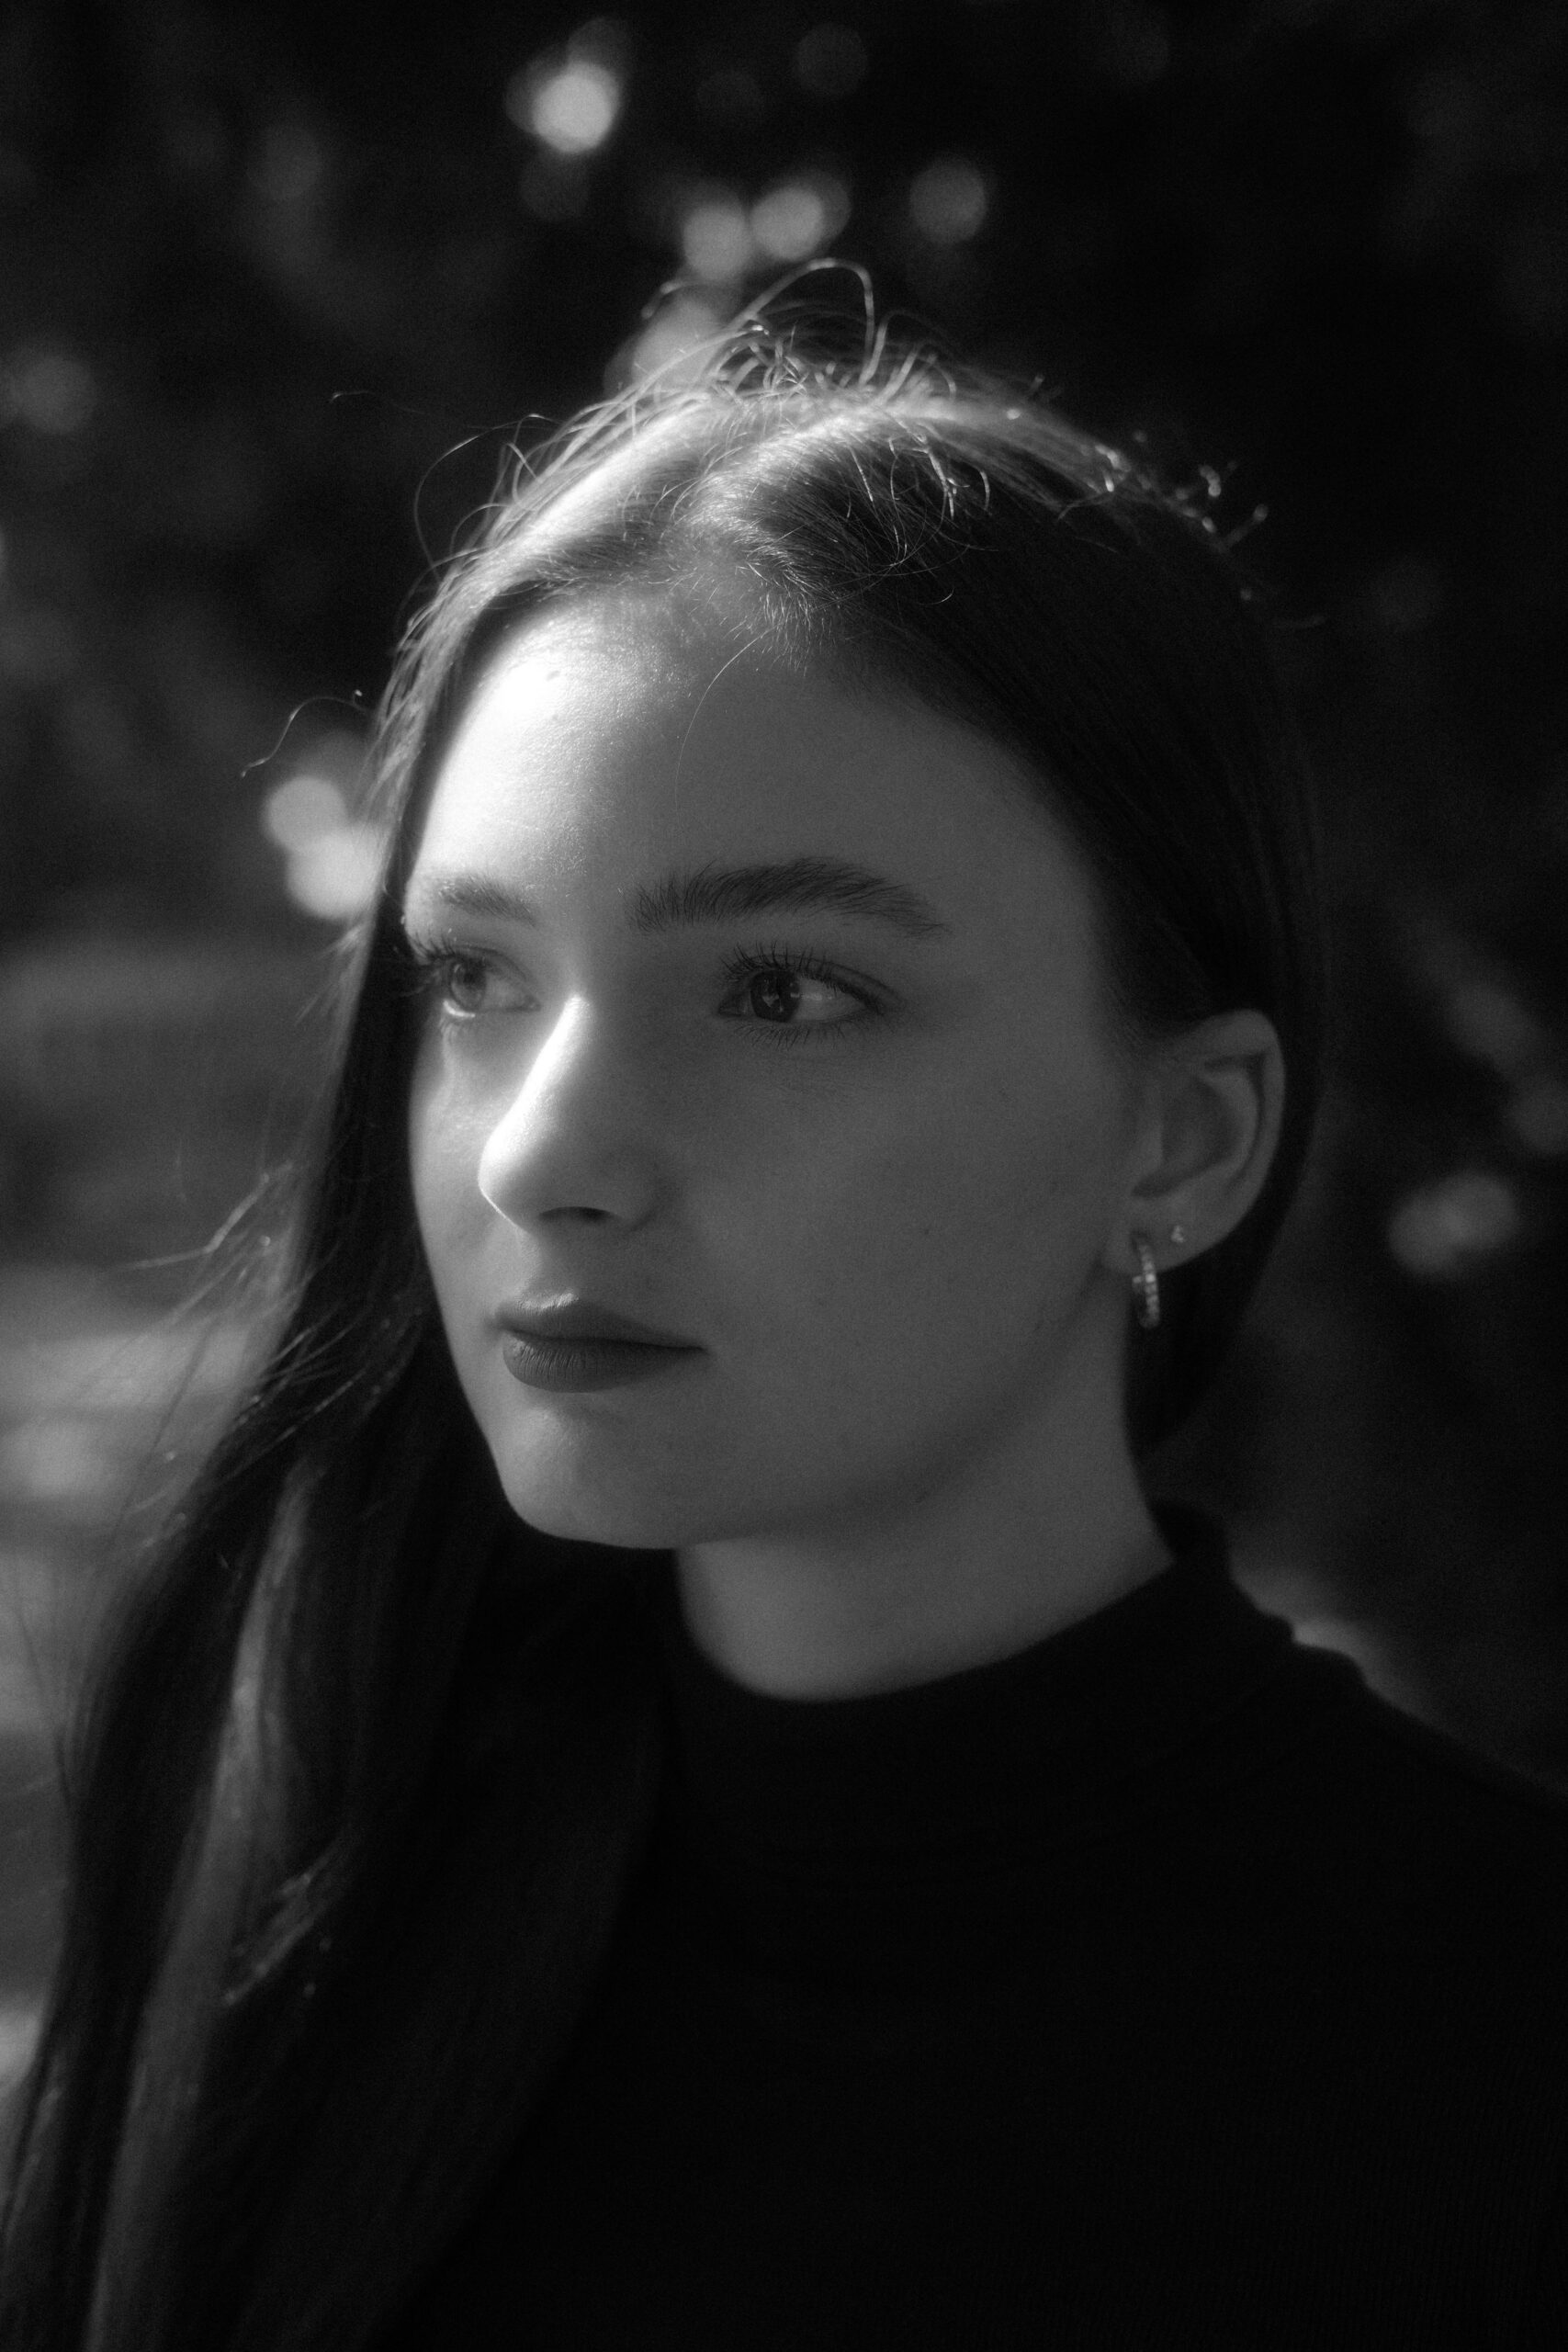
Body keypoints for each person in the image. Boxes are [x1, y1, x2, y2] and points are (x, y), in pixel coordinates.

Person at [3, 319, 1565, 2352]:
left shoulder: (1487, 2067)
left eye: (782, 992)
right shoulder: (301, 1931)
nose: (539, 1154)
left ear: (1181, 1137)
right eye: (474, 976)